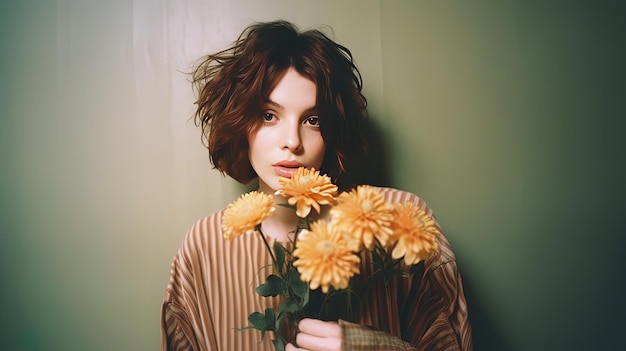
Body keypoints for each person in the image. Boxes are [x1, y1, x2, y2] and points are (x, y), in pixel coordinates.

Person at [160, 20, 472, 351]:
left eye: (313, 120)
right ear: (240, 123)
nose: (292, 141)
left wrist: (374, 347)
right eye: (268, 115)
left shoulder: (403, 220)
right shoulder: (203, 244)